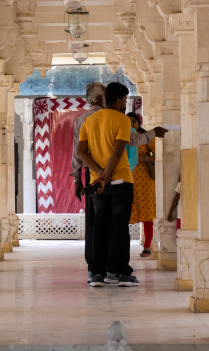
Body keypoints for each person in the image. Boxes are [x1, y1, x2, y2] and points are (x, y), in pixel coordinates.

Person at [77, 82, 168, 287]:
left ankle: (98, 274)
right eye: (125, 100)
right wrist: (106, 175)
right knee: (119, 228)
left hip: (97, 184)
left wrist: (99, 175)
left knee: (99, 227)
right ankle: (121, 273)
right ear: (118, 100)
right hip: (120, 182)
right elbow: (119, 151)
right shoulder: (121, 120)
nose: (125, 104)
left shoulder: (89, 122)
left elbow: (81, 152)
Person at [71, 82, 106, 282]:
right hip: (112, 174)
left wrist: (77, 179)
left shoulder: (81, 120)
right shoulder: (114, 118)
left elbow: (77, 153)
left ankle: (94, 266)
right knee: (113, 219)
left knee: (94, 219)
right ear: (100, 98)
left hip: (90, 174)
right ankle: (111, 264)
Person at [127, 112, 156, 257]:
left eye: (134, 122)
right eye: (128, 122)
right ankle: (122, 246)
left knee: (147, 214)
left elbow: (159, 156)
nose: (131, 124)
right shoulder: (122, 137)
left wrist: (144, 158)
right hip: (127, 179)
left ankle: (147, 246)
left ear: (139, 123)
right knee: (124, 212)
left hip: (145, 181)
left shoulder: (145, 138)